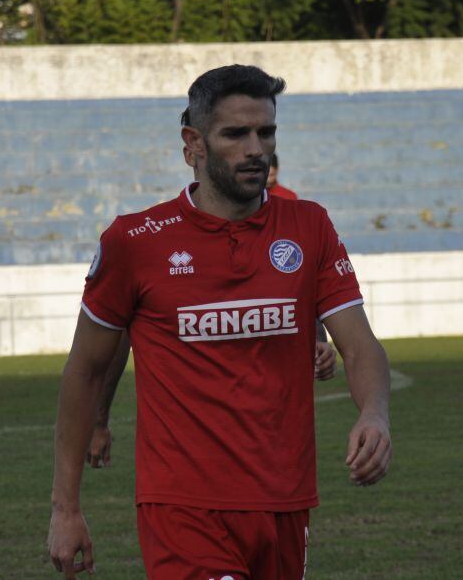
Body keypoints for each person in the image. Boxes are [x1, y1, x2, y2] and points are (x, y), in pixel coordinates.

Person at [48, 65, 392, 580]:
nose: (256, 149)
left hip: (285, 499)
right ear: (194, 144)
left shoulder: (309, 226)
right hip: (183, 507)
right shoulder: (136, 242)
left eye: (266, 132)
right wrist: (65, 508)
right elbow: (87, 369)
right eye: (236, 134)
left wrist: (374, 414)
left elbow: (360, 345)